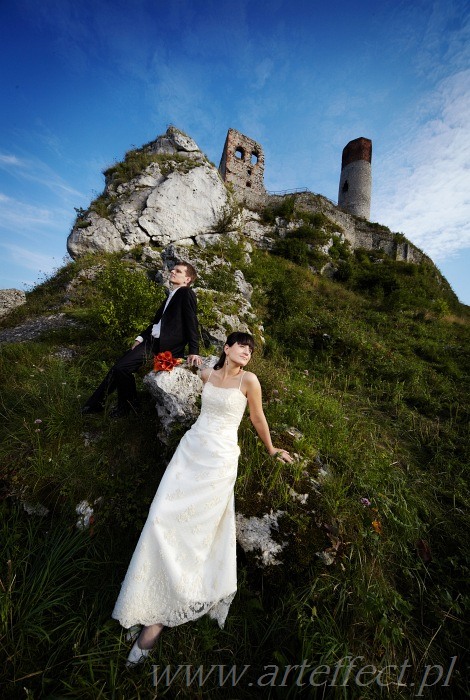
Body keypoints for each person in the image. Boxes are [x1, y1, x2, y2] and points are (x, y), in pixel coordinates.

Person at [111, 331, 293, 666]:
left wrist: (271, 448)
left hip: (219, 461)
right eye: (242, 346)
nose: (248, 352)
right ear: (226, 348)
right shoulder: (209, 372)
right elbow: (190, 367)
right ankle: (144, 598)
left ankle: (159, 619)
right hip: (190, 452)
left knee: (194, 533)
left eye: (251, 349)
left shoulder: (250, 381)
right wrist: (178, 360)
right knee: (160, 519)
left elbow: (257, 417)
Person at [81, 261, 202, 418]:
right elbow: (156, 323)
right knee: (119, 367)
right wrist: (140, 338)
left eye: (178, 271)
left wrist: (194, 350)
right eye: (172, 269)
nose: (172, 271)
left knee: (121, 368)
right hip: (151, 342)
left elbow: (191, 321)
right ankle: (95, 404)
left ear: (187, 279)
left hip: (166, 347)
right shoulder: (170, 297)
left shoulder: (186, 293)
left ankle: (128, 406)